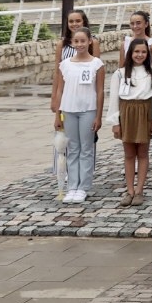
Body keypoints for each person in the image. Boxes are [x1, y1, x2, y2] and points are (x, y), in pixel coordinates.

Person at [51, 27, 104, 204]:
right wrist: (58, 114)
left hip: (88, 110)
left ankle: (83, 187)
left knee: (86, 149)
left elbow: (100, 91)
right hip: (69, 110)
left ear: (90, 41)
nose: (80, 44)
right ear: (72, 43)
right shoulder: (65, 65)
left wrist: (98, 115)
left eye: (83, 41)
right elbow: (60, 90)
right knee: (72, 149)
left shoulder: (96, 64)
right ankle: (72, 186)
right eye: (76, 41)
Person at [105, 35, 152, 207]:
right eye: (136, 52)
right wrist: (115, 122)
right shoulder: (120, 74)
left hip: (145, 112)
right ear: (130, 53)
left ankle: (140, 190)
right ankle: (129, 190)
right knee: (129, 154)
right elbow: (114, 99)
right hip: (127, 113)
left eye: (143, 52)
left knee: (142, 152)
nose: (140, 55)